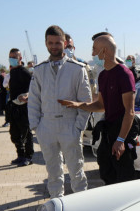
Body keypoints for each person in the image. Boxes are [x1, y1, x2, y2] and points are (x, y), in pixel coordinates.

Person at [59, 34, 136, 185]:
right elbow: (101, 105)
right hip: (108, 133)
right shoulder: (103, 75)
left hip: (121, 135)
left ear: (104, 51)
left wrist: (120, 140)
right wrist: (79, 105)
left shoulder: (124, 74)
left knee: (124, 180)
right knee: (107, 175)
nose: (92, 54)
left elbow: (130, 111)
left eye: (94, 50)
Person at [29, 25, 92, 198]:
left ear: (64, 43)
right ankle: (58, 210)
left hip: (69, 124)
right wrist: (36, 127)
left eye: (58, 42)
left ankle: (81, 209)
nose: (54, 46)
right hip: (46, 126)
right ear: (46, 43)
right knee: (53, 174)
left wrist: (78, 127)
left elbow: (86, 102)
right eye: (51, 43)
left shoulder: (77, 69)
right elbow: (34, 99)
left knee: (76, 173)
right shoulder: (39, 69)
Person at [7, 48, 34, 165]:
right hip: (13, 107)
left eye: (15, 57)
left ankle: (28, 157)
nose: (12, 59)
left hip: (24, 108)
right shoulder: (12, 72)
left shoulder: (25, 72)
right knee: (15, 133)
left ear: (20, 58)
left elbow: (34, 87)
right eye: (10, 57)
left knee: (26, 133)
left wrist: (27, 96)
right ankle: (20, 155)